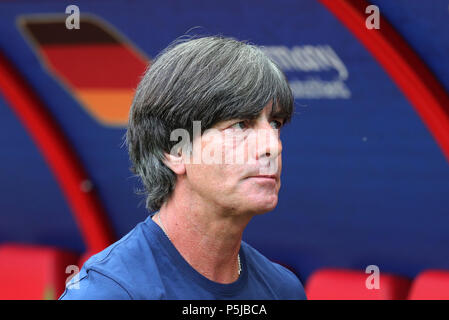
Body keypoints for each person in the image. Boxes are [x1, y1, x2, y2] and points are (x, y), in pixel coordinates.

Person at [59, 36, 307, 300]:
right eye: (240, 125)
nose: (272, 146)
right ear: (175, 150)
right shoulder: (107, 293)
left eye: (276, 124)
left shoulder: (282, 290)